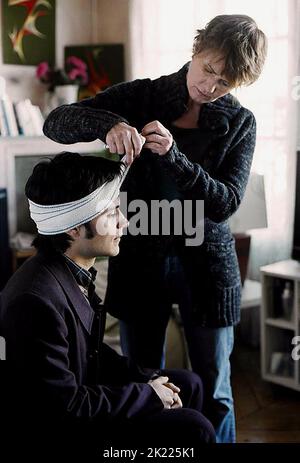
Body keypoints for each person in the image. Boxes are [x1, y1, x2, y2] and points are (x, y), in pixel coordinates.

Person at [43, 15, 268, 443]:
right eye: (208, 70)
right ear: (196, 49)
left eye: (224, 83)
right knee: (143, 382)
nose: (209, 86)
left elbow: (225, 204)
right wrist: (107, 124)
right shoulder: (141, 96)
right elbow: (55, 122)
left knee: (215, 388)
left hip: (208, 265)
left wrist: (175, 158)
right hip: (140, 261)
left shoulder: (242, 122)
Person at [0, 152, 215, 459]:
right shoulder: (33, 303)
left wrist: (146, 379)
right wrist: (148, 396)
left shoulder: (70, 271)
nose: (124, 222)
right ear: (73, 228)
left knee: (189, 383)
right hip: (67, 425)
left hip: (84, 398)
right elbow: (65, 407)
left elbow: (94, 353)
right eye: (113, 212)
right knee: (194, 428)